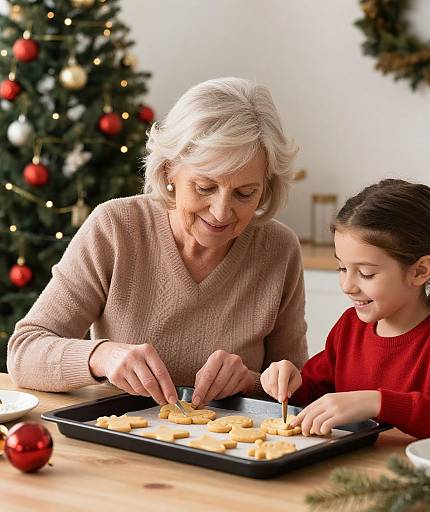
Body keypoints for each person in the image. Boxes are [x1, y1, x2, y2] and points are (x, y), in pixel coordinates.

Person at [8, 77, 308, 408]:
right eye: (204, 187)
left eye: (244, 193)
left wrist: (252, 381)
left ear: (266, 187)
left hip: (230, 450)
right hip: (122, 445)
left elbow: (299, 386)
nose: (222, 212)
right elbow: (25, 352)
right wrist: (102, 355)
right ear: (169, 171)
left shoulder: (279, 249)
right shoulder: (116, 227)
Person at [261, 179, 430, 439]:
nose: (347, 286)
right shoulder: (350, 326)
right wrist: (287, 380)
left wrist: (379, 403)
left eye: (366, 273)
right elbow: (313, 391)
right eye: (342, 268)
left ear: (419, 271)